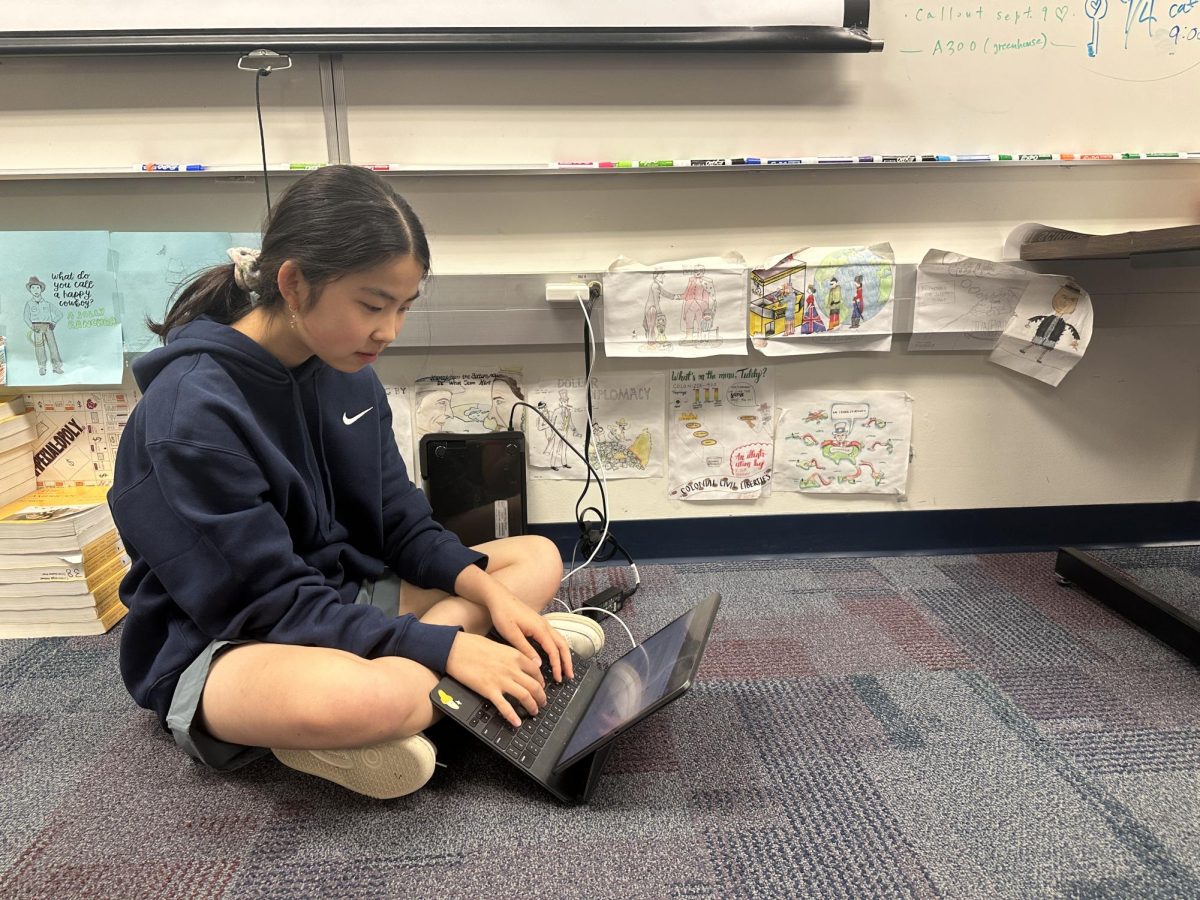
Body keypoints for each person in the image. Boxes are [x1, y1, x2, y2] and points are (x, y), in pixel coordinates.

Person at [109, 165, 604, 800]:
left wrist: (486, 594)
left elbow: (401, 521)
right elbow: (270, 606)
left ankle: (468, 662)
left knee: (531, 558)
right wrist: (445, 646)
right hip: (230, 641)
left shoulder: (346, 371)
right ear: (293, 283)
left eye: (403, 308)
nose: (389, 332)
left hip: (342, 598)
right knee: (361, 698)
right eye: (372, 305)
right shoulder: (190, 416)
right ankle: (467, 666)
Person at [23, 275, 64, 376]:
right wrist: (32, 327)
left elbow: (59, 314)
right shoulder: (29, 304)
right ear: (30, 290)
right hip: (36, 327)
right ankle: (42, 367)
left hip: (47, 327)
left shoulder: (47, 304)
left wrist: (53, 322)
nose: (35, 290)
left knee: (52, 346)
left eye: (37, 287)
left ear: (41, 289)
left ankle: (56, 366)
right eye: (33, 288)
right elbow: (26, 317)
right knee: (39, 348)